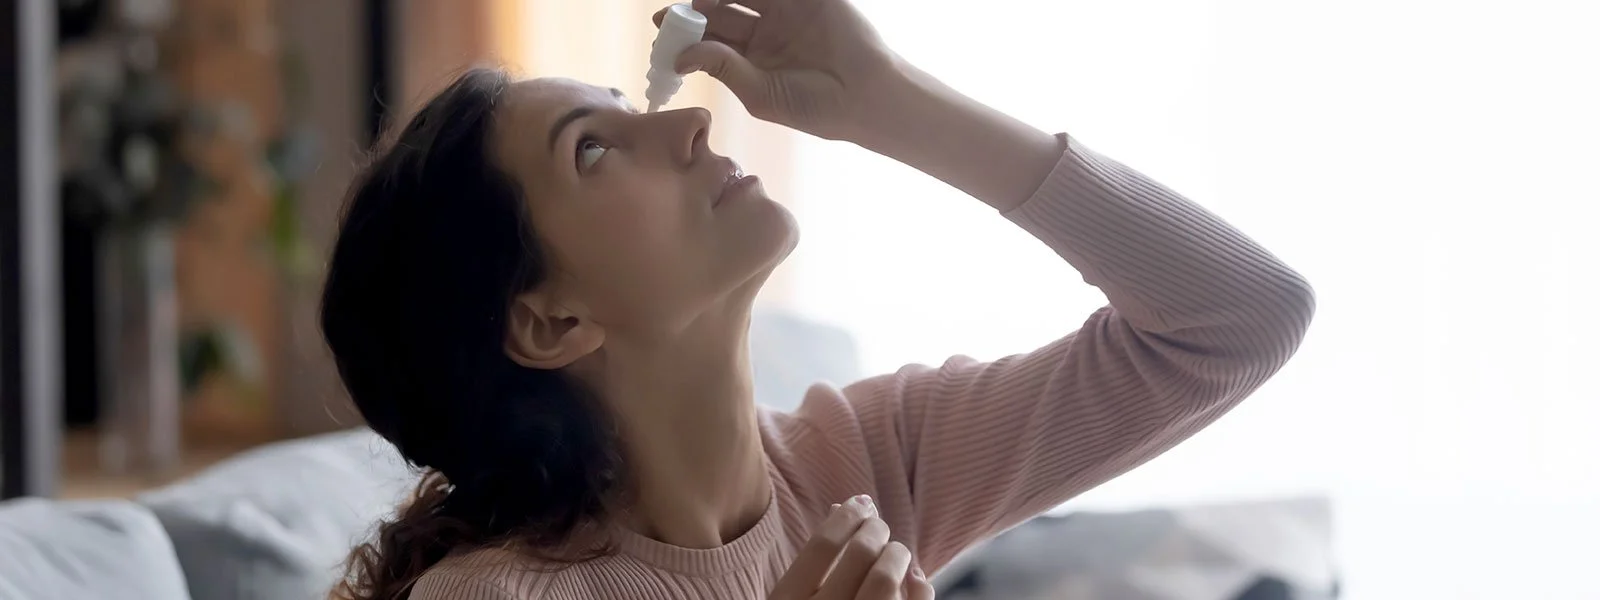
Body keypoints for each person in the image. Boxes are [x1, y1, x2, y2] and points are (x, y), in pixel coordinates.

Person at [321, 0, 1316, 598]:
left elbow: (1238, 318)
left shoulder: (865, 461)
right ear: (548, 320)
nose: (685, 131)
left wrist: (884, 99)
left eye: (625, 111)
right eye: (592, 149)